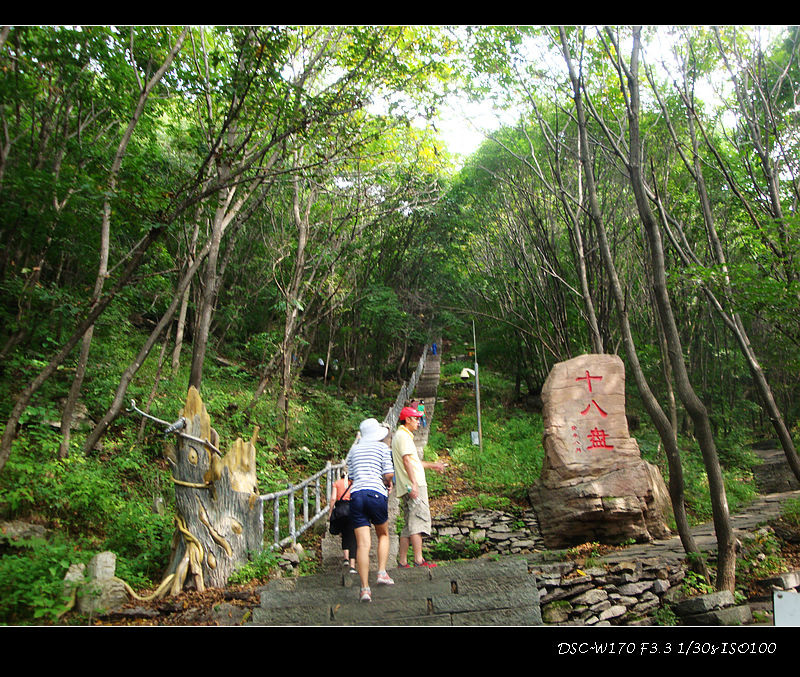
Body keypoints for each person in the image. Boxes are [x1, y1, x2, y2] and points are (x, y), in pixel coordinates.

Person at [346, 417, 395, 602]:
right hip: (376, 493)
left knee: (363, 545)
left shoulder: (354, 451)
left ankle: (365, 589)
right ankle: (381, 572)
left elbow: (350, 477)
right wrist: (388, 483)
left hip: (356, 496)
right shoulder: (382, 448)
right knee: (383, 534)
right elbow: (388, 473)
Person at [391, 405, 444, 568]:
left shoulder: (400, 436)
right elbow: (407, 461)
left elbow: (414, 462)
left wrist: (433, 465)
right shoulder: (404, 437)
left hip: (406, 486)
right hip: (414, 485)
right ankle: (419, 560)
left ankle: (402, 561)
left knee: (408, 524)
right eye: (416, 419)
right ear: (407, 420)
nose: (419, 422)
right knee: (417, 520)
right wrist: (414, 483)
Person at [330, 472, 356, 573]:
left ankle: (346, 558)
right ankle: (353, 565)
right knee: (353, 537)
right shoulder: (353, 484)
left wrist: (330, 512)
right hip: (352, 510)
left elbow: (333, 498)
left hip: (340, 511)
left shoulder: (336, 483)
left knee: (344, 534)